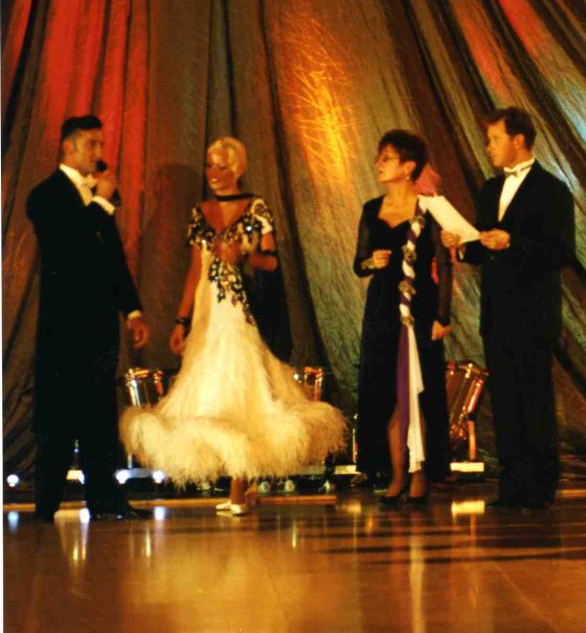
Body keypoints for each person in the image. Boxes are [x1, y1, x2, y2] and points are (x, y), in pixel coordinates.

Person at [120, 137, 346, 515]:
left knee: (243, 396)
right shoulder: (200, 212)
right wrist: (181, 320)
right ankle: (244, 482)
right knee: (212, 395)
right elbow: (196, 270)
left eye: (222, 166)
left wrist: (242, 254)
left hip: (244, 313)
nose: (214, 173)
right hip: (209, 315)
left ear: (238, 169)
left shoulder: (255, 207)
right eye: (210, 165)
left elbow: (270, 261)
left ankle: (241, 488)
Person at [442, 108, 575, 510]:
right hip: (498, 312)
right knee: (505, 401)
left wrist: (513, 242)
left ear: (518, 140)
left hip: (534, 312)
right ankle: (512, 486)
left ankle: (541, 487)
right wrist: (462, 245)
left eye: (495, 139)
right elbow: (483, 248)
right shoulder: (489, 189)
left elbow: (561, 252)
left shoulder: (553, 190)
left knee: (534, 398)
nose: (489, 147)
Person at [27, 115, 152, 522]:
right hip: (64, 328)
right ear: (69, 147)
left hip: (99, 328)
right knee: (58, 418)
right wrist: (100, 202)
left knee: (99, 415)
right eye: (91, 145)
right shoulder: (45, 195)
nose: (99, 153)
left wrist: (132, 310)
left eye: (101, 144)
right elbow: (70, 248)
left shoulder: (98, 197)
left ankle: (104, 499)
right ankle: (46, 504)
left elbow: (112, 259)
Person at [353, 130, 452, 505]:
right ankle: (396, 473)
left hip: (419, 309)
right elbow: (358, 263)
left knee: (418, 392)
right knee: (387, 393)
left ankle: (420, 472)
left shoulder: (430, 208)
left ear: (409, 166)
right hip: (382, 310)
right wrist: (371, 262)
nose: (378, 164)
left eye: (387, 158)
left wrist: (442, 315)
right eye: (379, 157)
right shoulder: (371, 209)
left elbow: (444, 263)